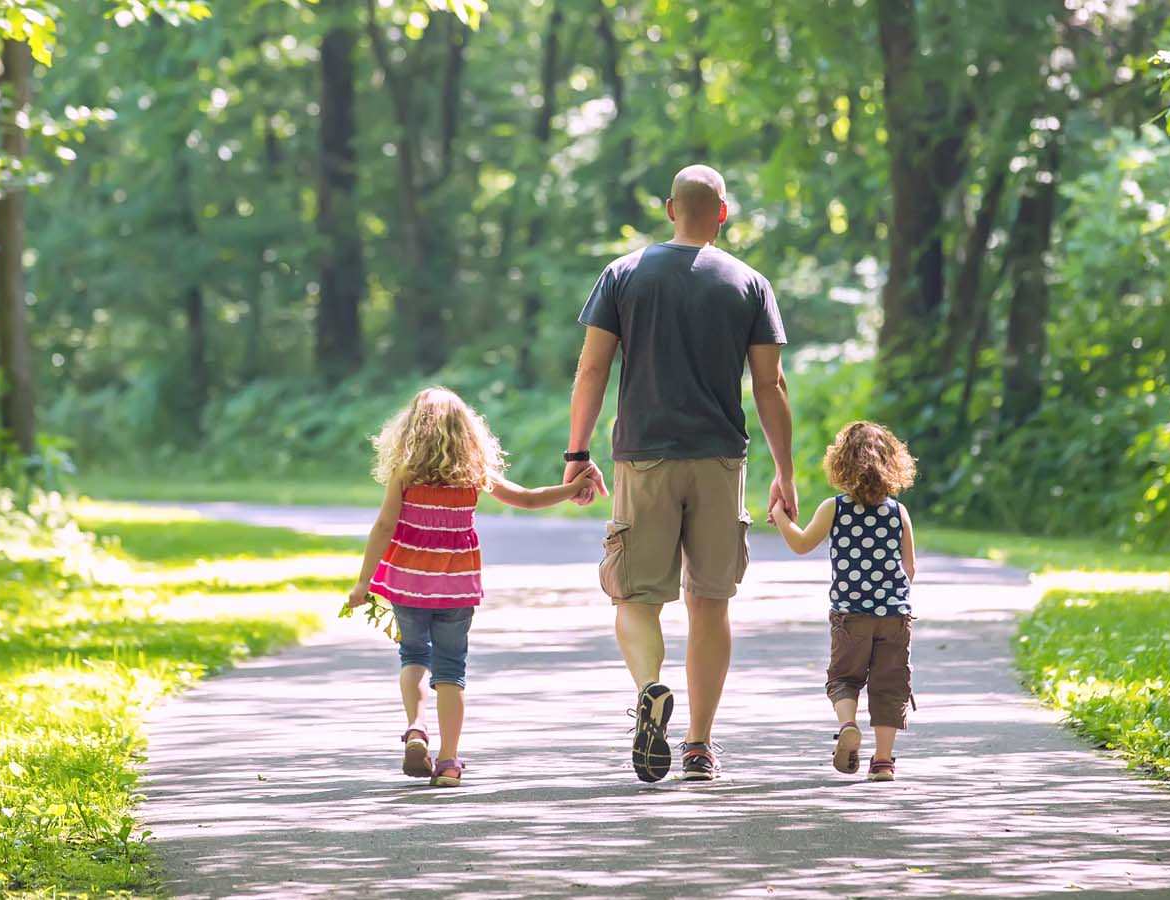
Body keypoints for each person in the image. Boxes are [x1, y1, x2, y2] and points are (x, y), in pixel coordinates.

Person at [563, 164, 795, 783]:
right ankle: (699, 745)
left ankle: (650, 688)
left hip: (644, 457)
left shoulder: (624, 274)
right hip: (721, 461)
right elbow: (769, 384)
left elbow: (591, 372)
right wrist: (786, 473)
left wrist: (577, 454)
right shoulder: (750, 283)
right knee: (710, 602)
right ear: (722, 212)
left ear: (671, 209)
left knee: (635, 596)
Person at [344, 387, 594, 787]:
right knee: (451, 671)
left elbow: (385, 526)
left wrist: (363, 582)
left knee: (412, 656)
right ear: (466, 432)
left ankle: (415, 728)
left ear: (411, 431)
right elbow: (528, 500)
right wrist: (572, 488)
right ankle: (447, 761)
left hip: (409, 584)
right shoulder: (473, 474)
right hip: (456, 589)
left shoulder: (405, 475)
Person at [769, 421, 917, 782]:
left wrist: (778, 517)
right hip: (895, 616)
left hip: (850, 615)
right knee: (889, 686)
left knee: (844, 679)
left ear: (842, 464)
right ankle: (883, 761)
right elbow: (909, 568)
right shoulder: (898, 513)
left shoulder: (834, 508)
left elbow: (802, 544)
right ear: (893, 465)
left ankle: (848, 725)